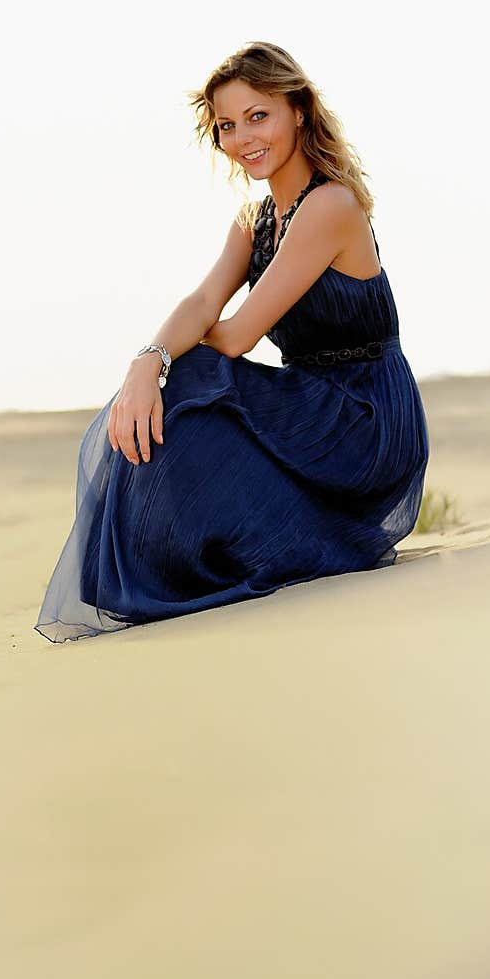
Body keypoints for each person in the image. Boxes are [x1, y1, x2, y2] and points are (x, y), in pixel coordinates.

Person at [34, 41, 430, 643]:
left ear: (297, 110)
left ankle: (156, 576)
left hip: (364, 416)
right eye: (226, 125)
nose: (243, 137)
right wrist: (146, 363)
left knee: (195, 376)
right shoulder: (255, 221)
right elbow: (201, 303)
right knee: (177, 379)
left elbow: (236, 334)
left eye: (258, 116)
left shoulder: (330, 206)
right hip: (309, 402)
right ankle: (164, 572)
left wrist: (168, 364)